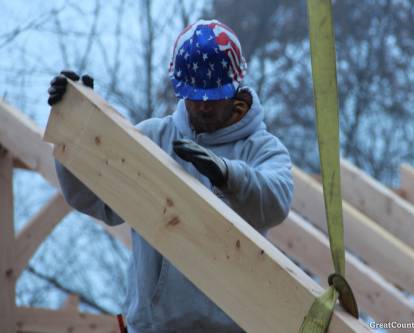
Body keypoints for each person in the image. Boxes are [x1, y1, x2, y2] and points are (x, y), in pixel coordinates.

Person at [48, 19, 294, 333]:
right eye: (195, 96)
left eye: (212, 96)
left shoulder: (260, 149)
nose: (203, 107)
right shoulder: (153, 139)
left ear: (235, 89)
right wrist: (78, 130)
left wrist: (227, 176)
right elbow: (95, 198)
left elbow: (275, 201)